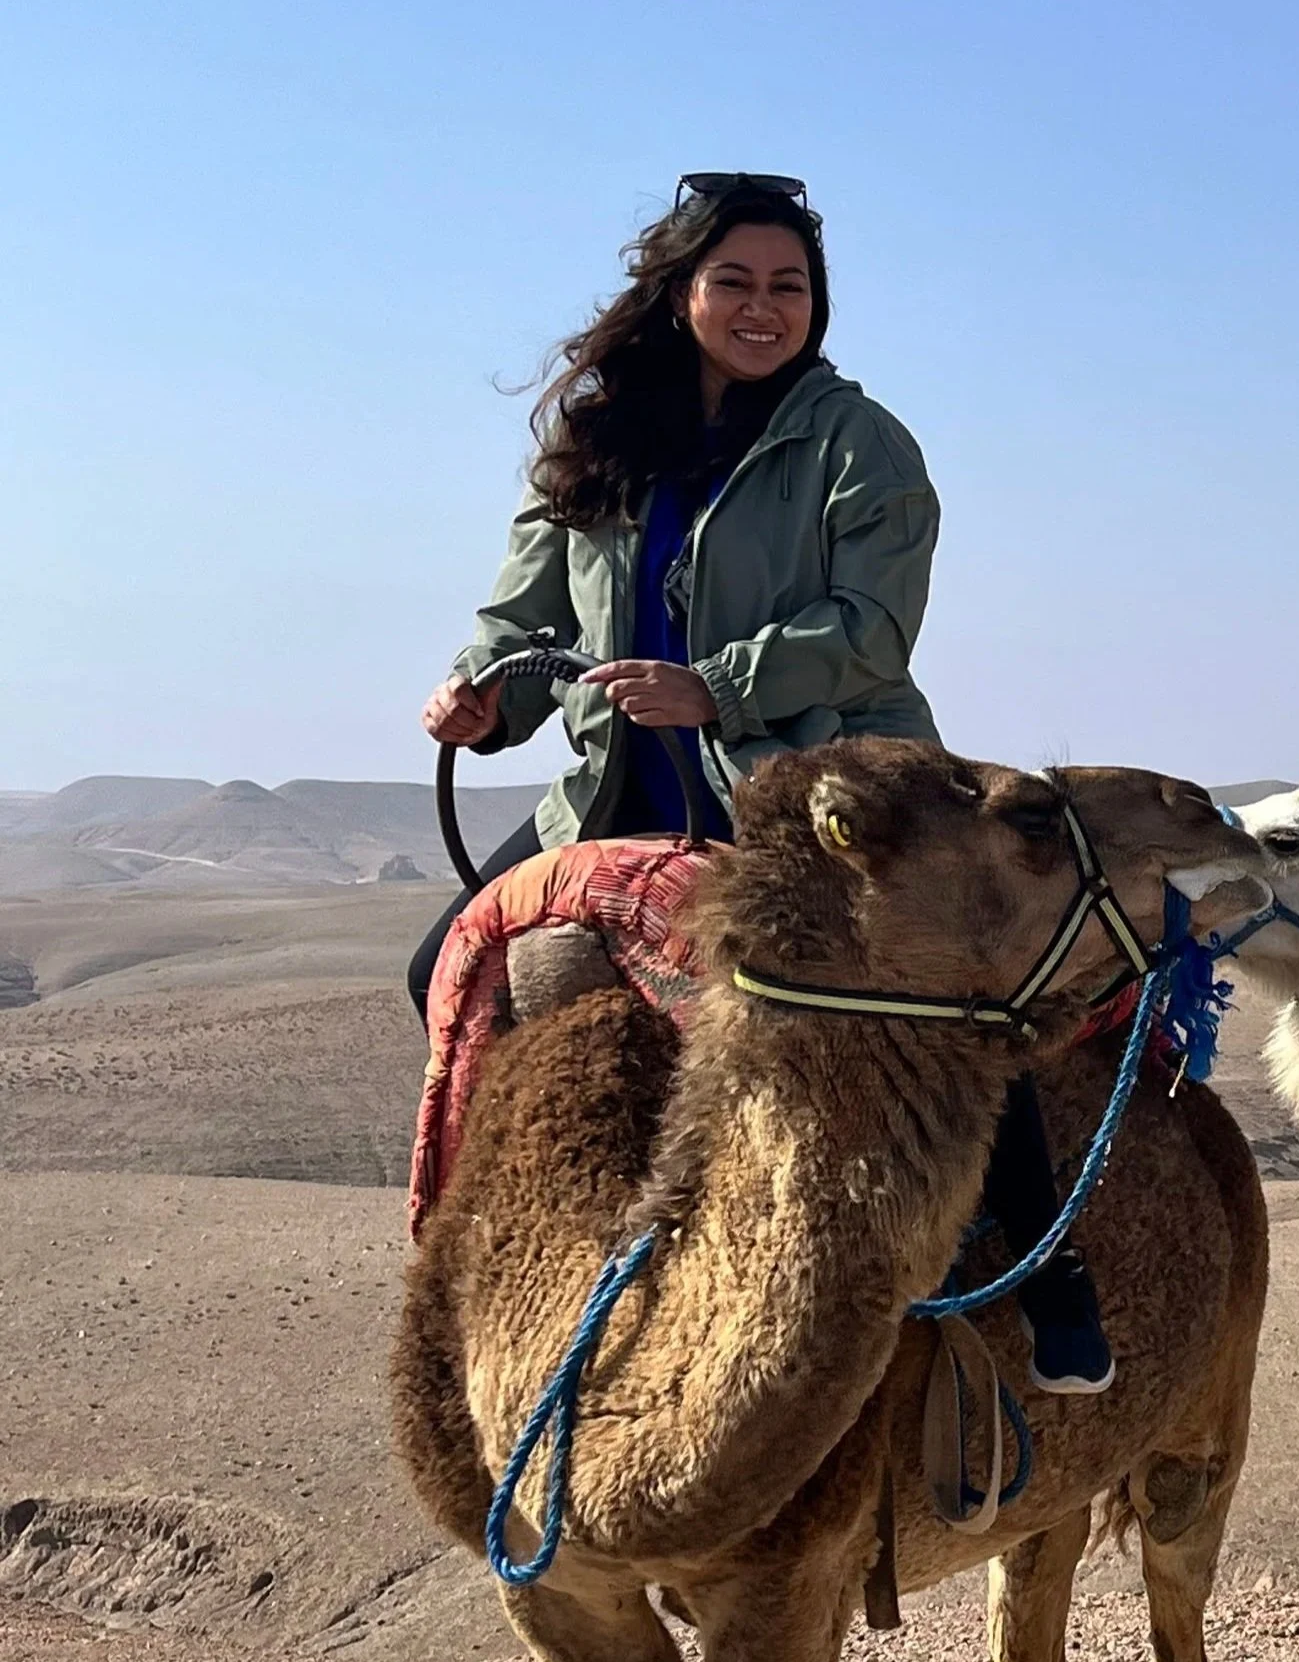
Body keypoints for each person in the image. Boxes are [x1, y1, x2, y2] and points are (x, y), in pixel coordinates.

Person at [414, 173, 1114, 1390]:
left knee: (935, 1001)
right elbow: (523, 620)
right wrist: (481, 699)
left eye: (788, 286)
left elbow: (871, 628)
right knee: (439, 967)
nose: (762, 306)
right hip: (616, 787)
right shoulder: (595, 443)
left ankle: (1044, 1281)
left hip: (819, 780)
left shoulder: (859, 443)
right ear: (680, 291)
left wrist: (718, 686)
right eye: (733, 280)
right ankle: (525, 1251)